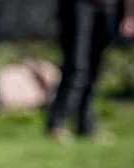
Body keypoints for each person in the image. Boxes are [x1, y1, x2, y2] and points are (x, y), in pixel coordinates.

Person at [47, 0, 134, 141]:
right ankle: (58, 123)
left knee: (96, 69)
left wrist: (129, 15)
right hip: (80, 4)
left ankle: (87, 125)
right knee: (76, 66)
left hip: (109, 6)